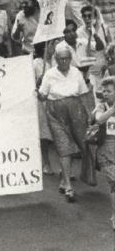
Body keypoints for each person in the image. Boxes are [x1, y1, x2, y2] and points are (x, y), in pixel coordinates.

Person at [39, 42, 95, 202]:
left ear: (70, 59)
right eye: (60, 59)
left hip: (75, 112)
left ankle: (65, 180)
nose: (63, 62)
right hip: (55, 112)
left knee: (80, 145)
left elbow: (84, 94)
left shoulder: (76, 72)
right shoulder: (49, 74)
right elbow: (43, 94)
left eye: (66, 59)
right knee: (63, 146)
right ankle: (69, 186)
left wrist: (90, 115)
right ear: (55, 59)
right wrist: (40, 94)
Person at [92, 76, 115, 228]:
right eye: (104, 91)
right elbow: (99, 120)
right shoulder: (101, 106)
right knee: (114, 183)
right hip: (106, 151)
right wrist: (113, 109)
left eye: (109, 91)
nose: (105, 93)